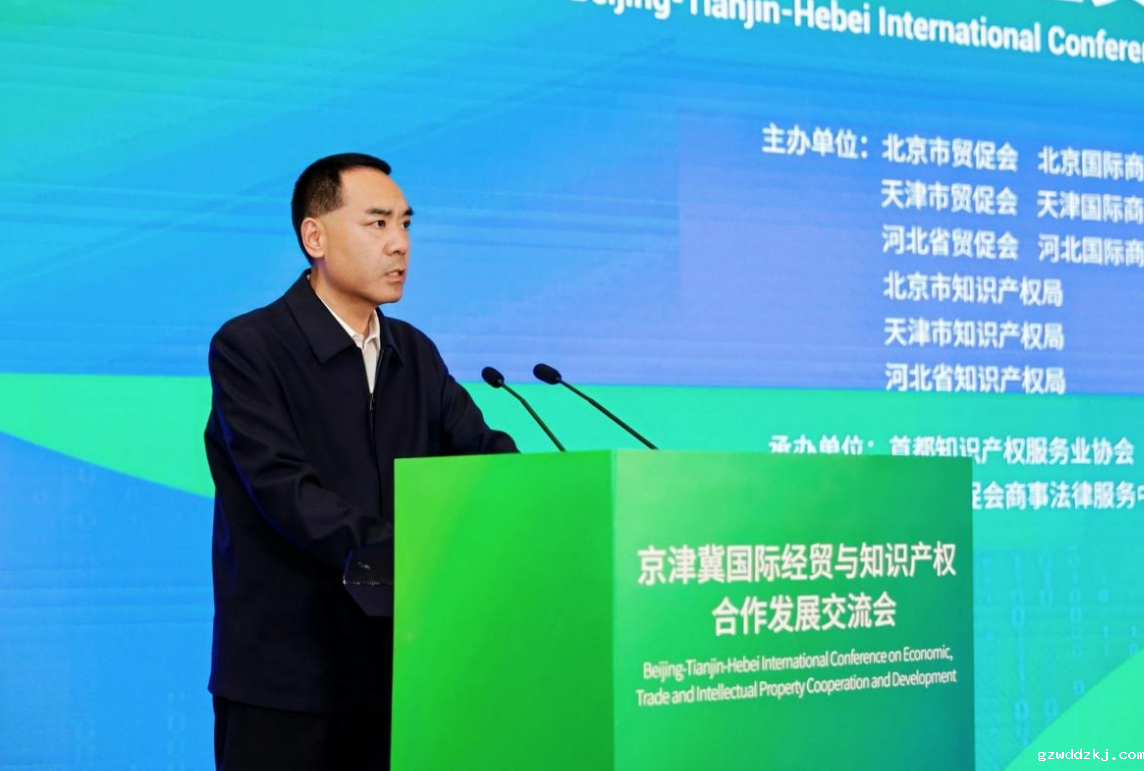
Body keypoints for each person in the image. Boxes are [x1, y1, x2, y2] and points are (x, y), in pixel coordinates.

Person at [204, 153, 517, 770]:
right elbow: (286, 492)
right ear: (314, 237)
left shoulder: (414, 352)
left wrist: (539, 498)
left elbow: (484, 458)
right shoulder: (250, 348)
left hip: (403, 673)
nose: (400, 244)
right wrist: (419, 547)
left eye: (406, 224)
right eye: (377, 224)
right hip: (286, 684)